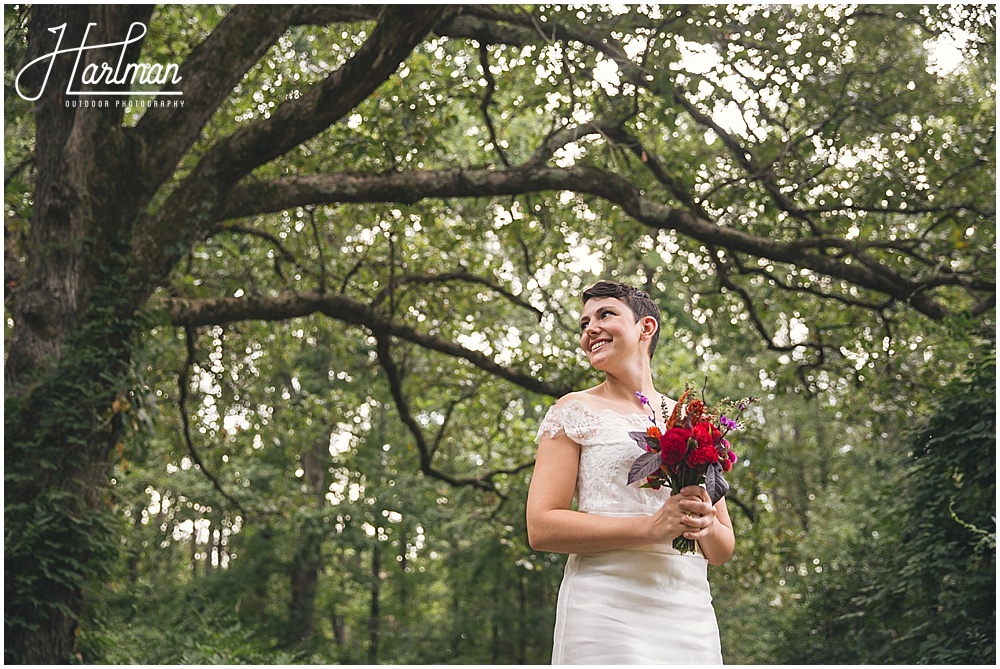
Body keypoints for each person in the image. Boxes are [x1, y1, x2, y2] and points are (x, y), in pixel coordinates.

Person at [526, 280, 734, 665]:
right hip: (603, 607)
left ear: (646, 328)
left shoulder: (690, 420)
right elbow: (542, 527)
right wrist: (651, 527)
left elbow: (722, 549)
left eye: (605, 314)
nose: (590, 329)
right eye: (584, 323)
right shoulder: (573, 410)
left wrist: (704, 525)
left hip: (687, 614)